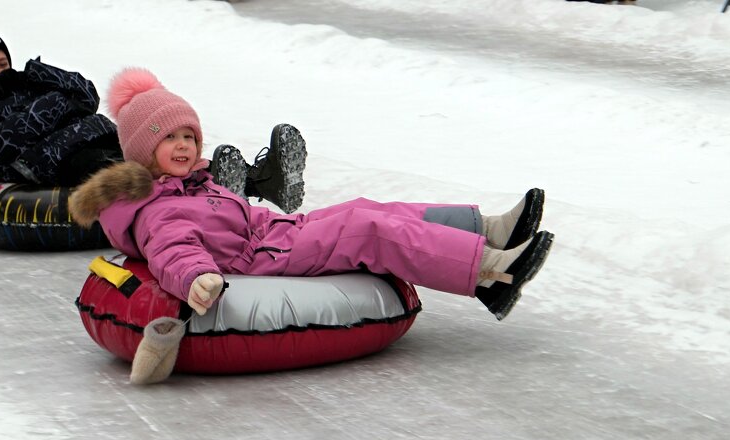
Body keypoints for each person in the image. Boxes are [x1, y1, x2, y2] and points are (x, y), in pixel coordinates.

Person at [68, 68, 555, 328]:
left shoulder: (194, 182)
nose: (183, 146)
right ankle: (490, 275)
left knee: (367, 208)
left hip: (277, 235)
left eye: (188, 136)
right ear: (140, 152)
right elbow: (174, 252)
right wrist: (197, 280)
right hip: (265, 260)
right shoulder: (157, 209)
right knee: (368, 231)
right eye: (168, 138)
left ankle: (487, 229)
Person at [0, 30, 306, 212]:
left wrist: (35, 73)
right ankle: (211, 197)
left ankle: (261, 179)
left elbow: (85, 94)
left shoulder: (29, 86)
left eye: (3, 63)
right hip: (57, 164)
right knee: (138, 174)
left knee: (170, 149)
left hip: (102, 135)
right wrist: (48, 104)